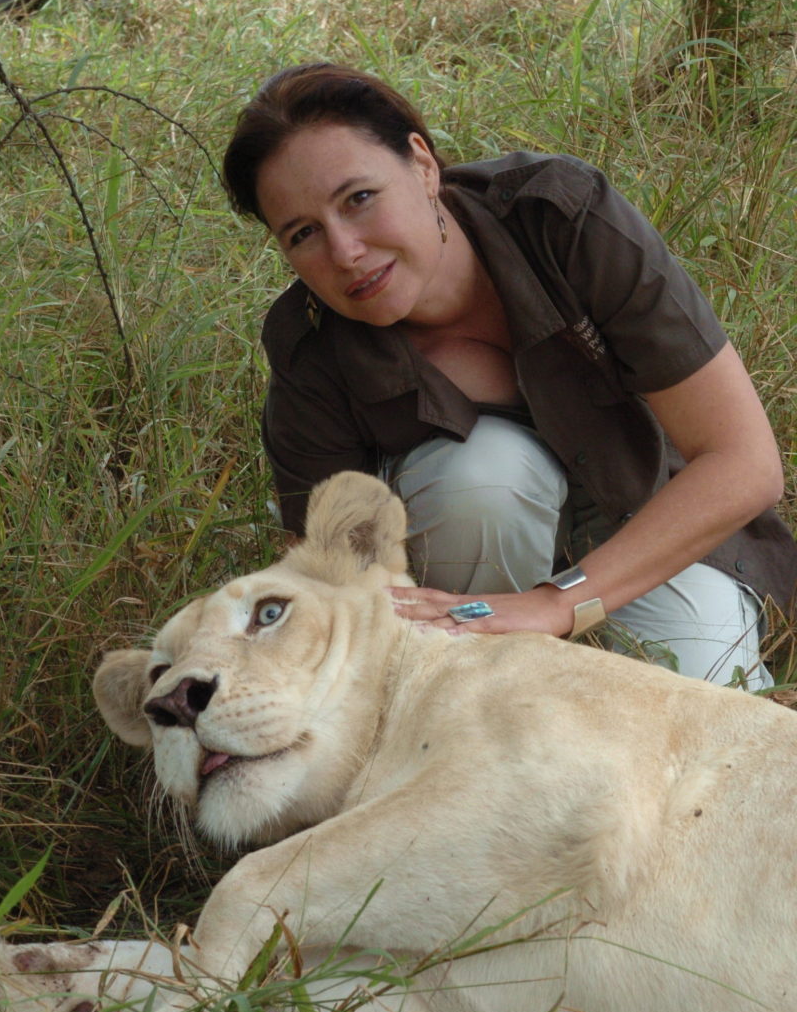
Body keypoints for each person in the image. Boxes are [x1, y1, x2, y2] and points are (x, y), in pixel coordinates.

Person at [222, 62, 797, 687]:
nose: (345, 252)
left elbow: (744, 463)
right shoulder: (311, 349)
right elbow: (326, 580)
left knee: (706, 704)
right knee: (484, 473)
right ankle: (484, 704)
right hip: (462, 589)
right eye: (303, 233)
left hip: (641, 517)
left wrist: (555, 603)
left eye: (358, 199)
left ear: (421, 164)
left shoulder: (560, 218)